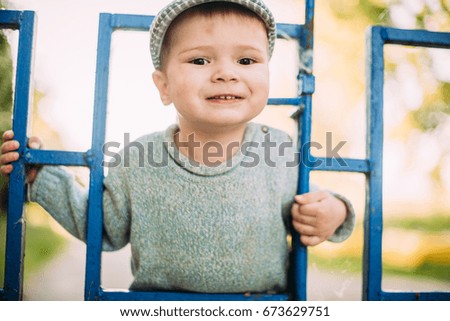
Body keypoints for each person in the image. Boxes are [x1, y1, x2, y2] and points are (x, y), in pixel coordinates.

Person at [0, 0, 355, 294]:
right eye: (200, 60)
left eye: (246, 60)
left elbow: (312, 200)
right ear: (164, 85)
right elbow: (102, 227)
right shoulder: (138, 159)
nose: (226, 73)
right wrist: (42, 175)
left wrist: (334, 211)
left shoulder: (279, 150)